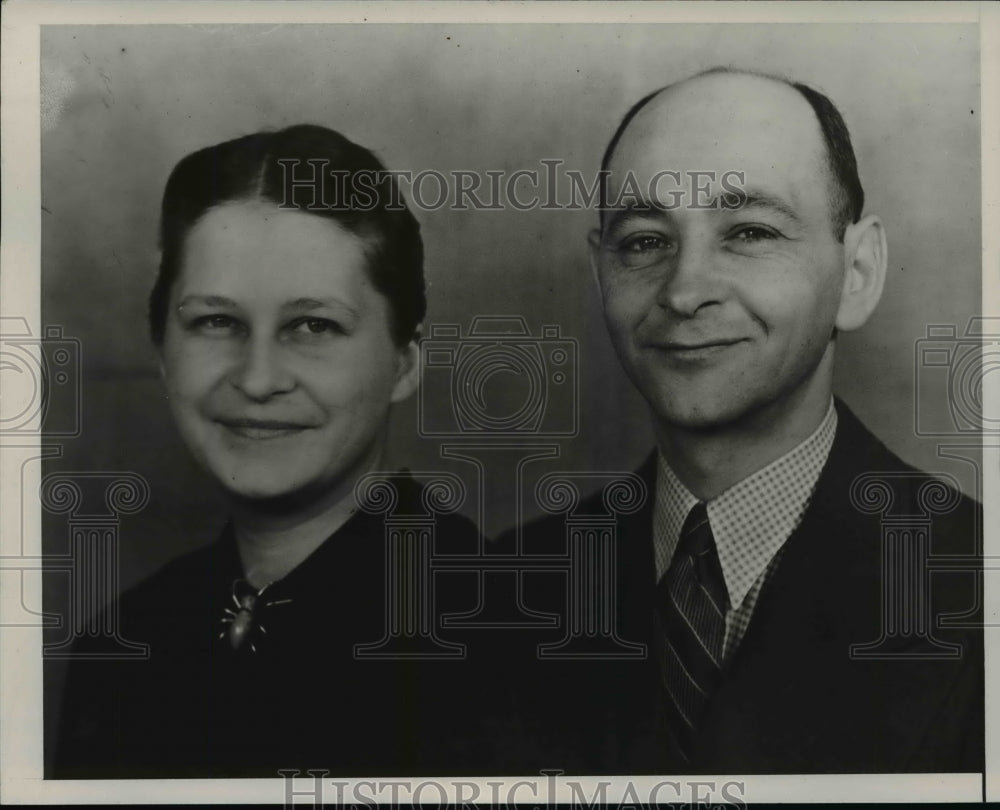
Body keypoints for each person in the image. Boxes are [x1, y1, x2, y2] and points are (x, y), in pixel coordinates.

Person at [501, 68, 983, 774]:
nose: (686, 289)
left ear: (857, 273)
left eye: (750, 231)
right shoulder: (505, 588)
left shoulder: (977, 584)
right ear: (600, 272)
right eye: (643, 241)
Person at [52, 124, 486, 777]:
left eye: (313, 325)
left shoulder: (501, 630)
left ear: (405, 361)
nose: (257, 379)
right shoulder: (126, 638)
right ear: (162, 353)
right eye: (215, 322)